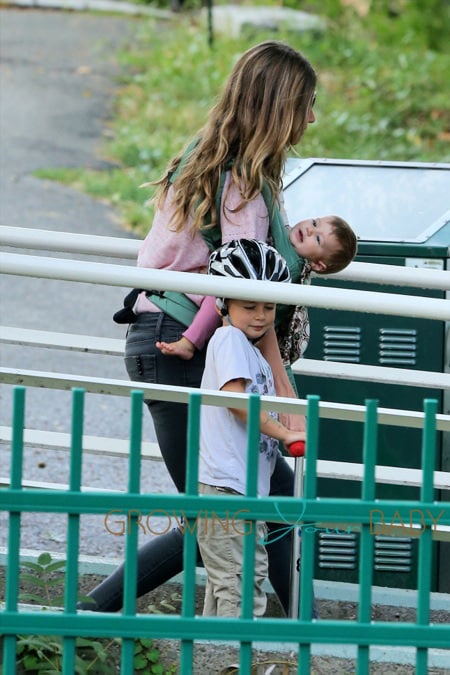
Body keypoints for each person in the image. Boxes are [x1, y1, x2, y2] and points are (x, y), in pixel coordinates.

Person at [80, 39, 318, 615]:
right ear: (280, 106)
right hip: (177, 343)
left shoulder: (215, 161)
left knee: (227, 506)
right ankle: (285, 632)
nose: (312, 118)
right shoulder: (238, 182)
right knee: (232, 503)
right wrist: (282, 385)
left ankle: (281, 629)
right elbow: (244, 285)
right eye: (307, 104)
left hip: (169, 337)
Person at [197, 239, 306, 618]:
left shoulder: (251, 350)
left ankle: (213, 659)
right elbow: (238, 402)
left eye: (269, 307)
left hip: (242, 489)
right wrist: (285, 434)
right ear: (223, 303)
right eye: (249, 306)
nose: (260, 316)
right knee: (243, 586)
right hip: (227, 489)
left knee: (229, 587)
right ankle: (234, 660)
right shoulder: (227, 339)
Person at [156, 214, 357, 361]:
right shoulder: (289, 255)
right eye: (315, 222)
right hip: (247, 333)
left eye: (318, 239)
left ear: (318, 265)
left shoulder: (291, 266)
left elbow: (275, 218)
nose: (310, 229)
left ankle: (189, 342)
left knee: (219, 289)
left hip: (246, 329)